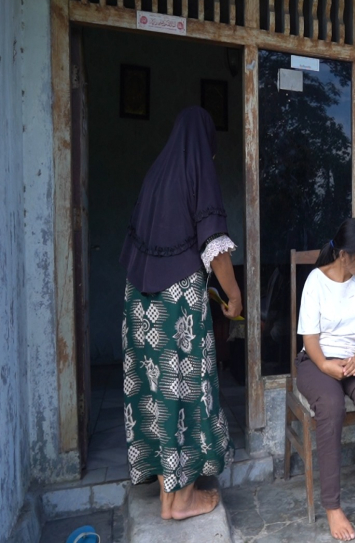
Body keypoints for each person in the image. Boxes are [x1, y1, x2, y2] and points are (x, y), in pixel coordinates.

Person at [119, 106, 242, 520]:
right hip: (179, 309)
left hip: (140, 305)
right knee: (190, 392)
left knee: (155, 394)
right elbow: (213, 240)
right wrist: (233, 294)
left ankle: (167, 493)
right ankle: (182, 499)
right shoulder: (198, 169)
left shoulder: (156, 174)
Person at [296, 218, 355, 540]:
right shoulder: (315, 281)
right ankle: (332, 507)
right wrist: (326, 366)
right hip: (316, 361)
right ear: (343, 254)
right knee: (332, 406)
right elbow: (310, 338)